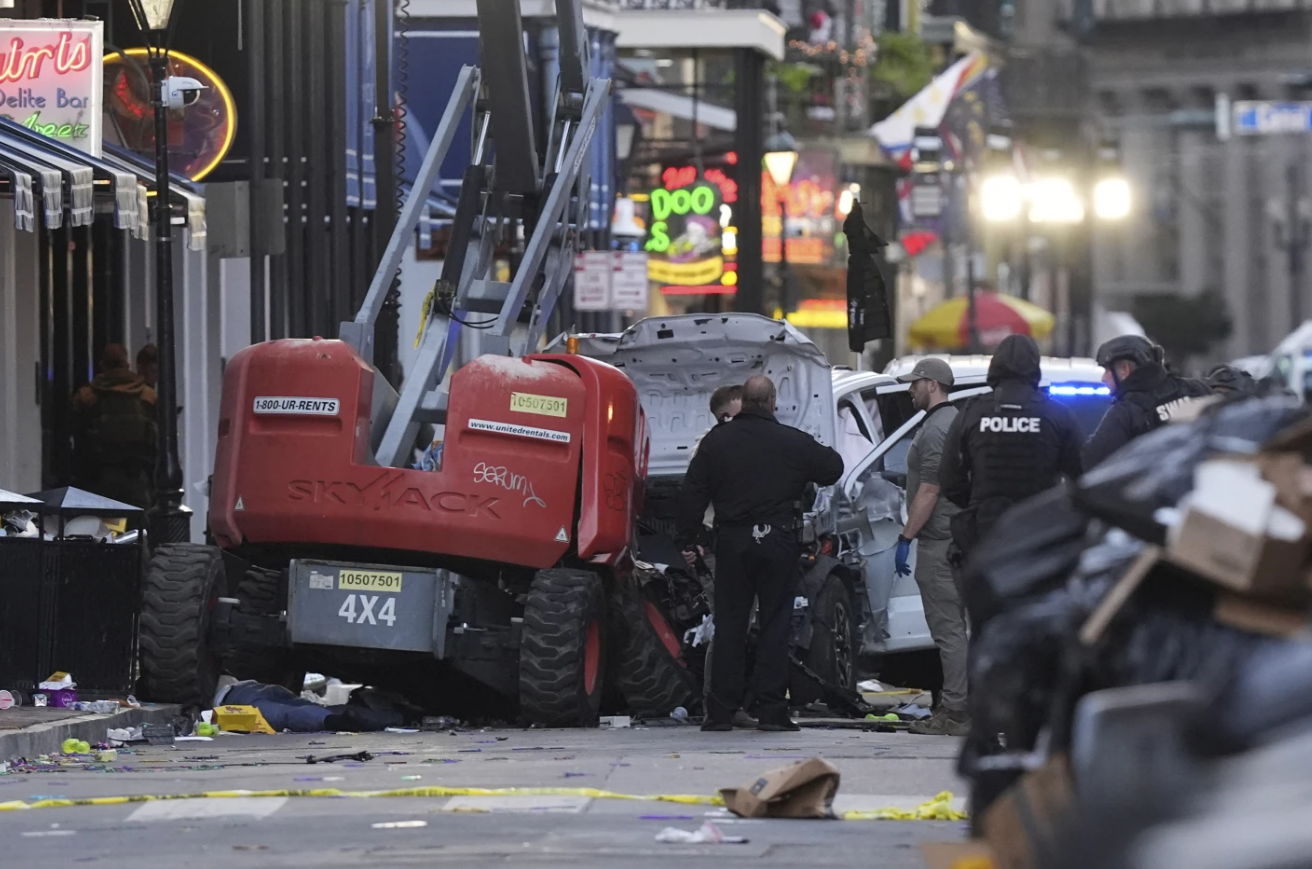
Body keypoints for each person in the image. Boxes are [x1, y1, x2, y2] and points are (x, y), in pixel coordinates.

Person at [679, 374, 844, 732]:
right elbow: (833, 467)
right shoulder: (792, 441)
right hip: (778, 542)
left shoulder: (716, 442)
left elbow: (691, 494)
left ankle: (720, 711)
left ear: (746, 401)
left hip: (733, 543)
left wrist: (688, 539)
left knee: (730, 627)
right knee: (775, 625)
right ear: (772, 402)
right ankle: (771, 710)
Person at [940, 334, 1084, 562]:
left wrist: (982, 505)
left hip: (985, 537)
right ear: (1035, 367)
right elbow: (1081, 478)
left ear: (994, 365)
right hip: (1039, 536)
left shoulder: (972, 412)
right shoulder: (1058, 414)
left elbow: (949, 480)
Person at [893, 359, 968, 736]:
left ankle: (955, 712)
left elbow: (930, 489)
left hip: (940, 541)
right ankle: (962, 706)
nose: (910, 390)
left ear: (933, 384)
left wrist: (906, 537)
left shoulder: (938, 429)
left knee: (948, 630)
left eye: (915, 383)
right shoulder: (952, 421)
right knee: (959, 628)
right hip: (954, 537)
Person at [1082, 335, 1213, 469]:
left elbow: (1092, 462)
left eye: (1107, 370)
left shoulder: (1127, 411)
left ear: (1124, 370)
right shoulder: (1196, 389)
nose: (1103, 378)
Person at [70, 344, 158, 509]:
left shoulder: (86, 397)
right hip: (138, 480)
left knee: (101, 530)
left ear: (102, 365)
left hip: (97, 481)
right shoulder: (148, 396)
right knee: (137, 528)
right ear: (128, 365)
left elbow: (76, 436)